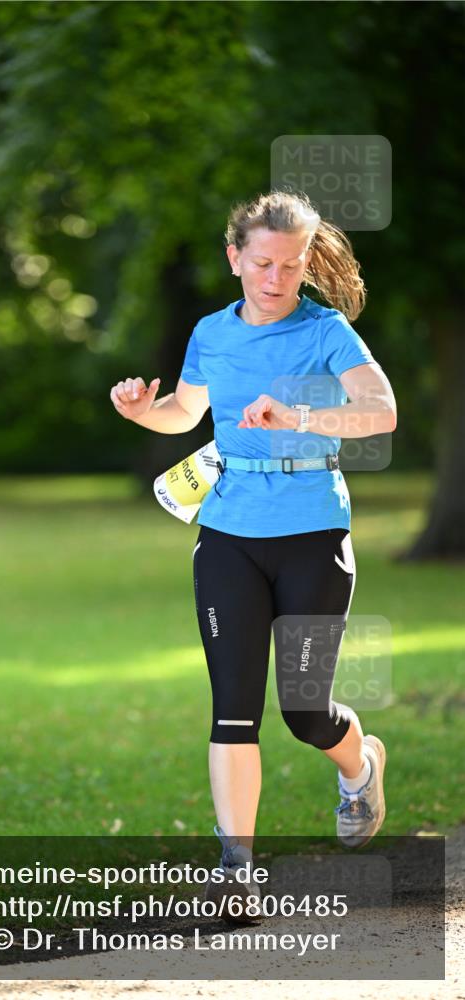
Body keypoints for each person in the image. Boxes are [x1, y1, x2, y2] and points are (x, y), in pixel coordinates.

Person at [109, 190, 396, 915]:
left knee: (304, 712)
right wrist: (148, 412)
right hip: (228, 536)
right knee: (232, 709)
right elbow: (186, 409)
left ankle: (359, 765)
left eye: (291, 265)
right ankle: (234, 870)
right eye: (263, 262)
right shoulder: (210, 332)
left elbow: (380, 412)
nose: (276, 278)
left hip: (310, 531)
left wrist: (298, 414)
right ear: (235, 258)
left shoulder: (326, 330)